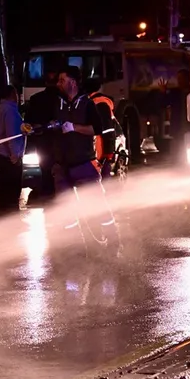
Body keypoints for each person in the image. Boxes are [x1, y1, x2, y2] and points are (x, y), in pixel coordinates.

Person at [55, 66, 122, 253]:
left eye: (62, 80)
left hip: (83, 162)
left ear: (73, 82)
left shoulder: (88, 104)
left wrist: (74, 127)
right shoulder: (57, 103)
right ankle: (75, 247)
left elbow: (98, 129)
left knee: (97, 205)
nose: (58, 84)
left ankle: (112, 240)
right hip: (62, 165)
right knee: (66, 209)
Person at [23, 71, 61, 197]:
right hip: (59, 140)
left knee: (45, 170)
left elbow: (28, 121)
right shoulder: (62, 99)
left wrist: (36, 129)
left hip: (42, 140)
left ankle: (47, 193)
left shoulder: (36, 99)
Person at [0, 84, 24, 209]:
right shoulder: (10, 111)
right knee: (11, 193)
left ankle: (2, 214)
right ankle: (10, 215)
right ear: (12, 95)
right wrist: (15, 156)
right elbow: (12, 135)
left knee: (3, 191)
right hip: (7, 157)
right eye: (16, 94)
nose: (18, 97)